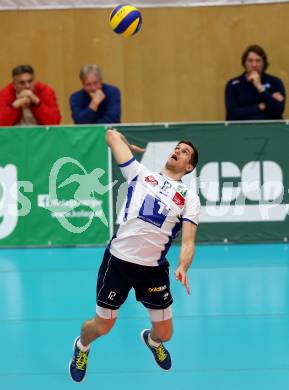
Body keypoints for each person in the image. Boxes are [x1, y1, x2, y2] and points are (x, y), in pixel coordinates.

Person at [69, 128, 200, 382]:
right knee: (102, 327)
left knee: (166, 334)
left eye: (185, 152)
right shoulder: (140, 174)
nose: (177, 151)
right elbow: (110, 135)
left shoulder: (189, 198)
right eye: (177, 147)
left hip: (153, 271)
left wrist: (184, 266)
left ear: (190, 166)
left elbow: (188, 242)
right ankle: (81, 347)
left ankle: (151, 341)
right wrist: (128, 143)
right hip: (118, 262)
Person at [225, 44, 286, 121]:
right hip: (241, 129)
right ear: (245, 63)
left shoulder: (275, 82)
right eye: (250, 61)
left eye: (258, 60)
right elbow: (232, 115)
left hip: (269, 129)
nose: (254, 65)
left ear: (264, 63)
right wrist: (260, 106)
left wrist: (260, 87)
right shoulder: (233, 85)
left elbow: (277, 112)